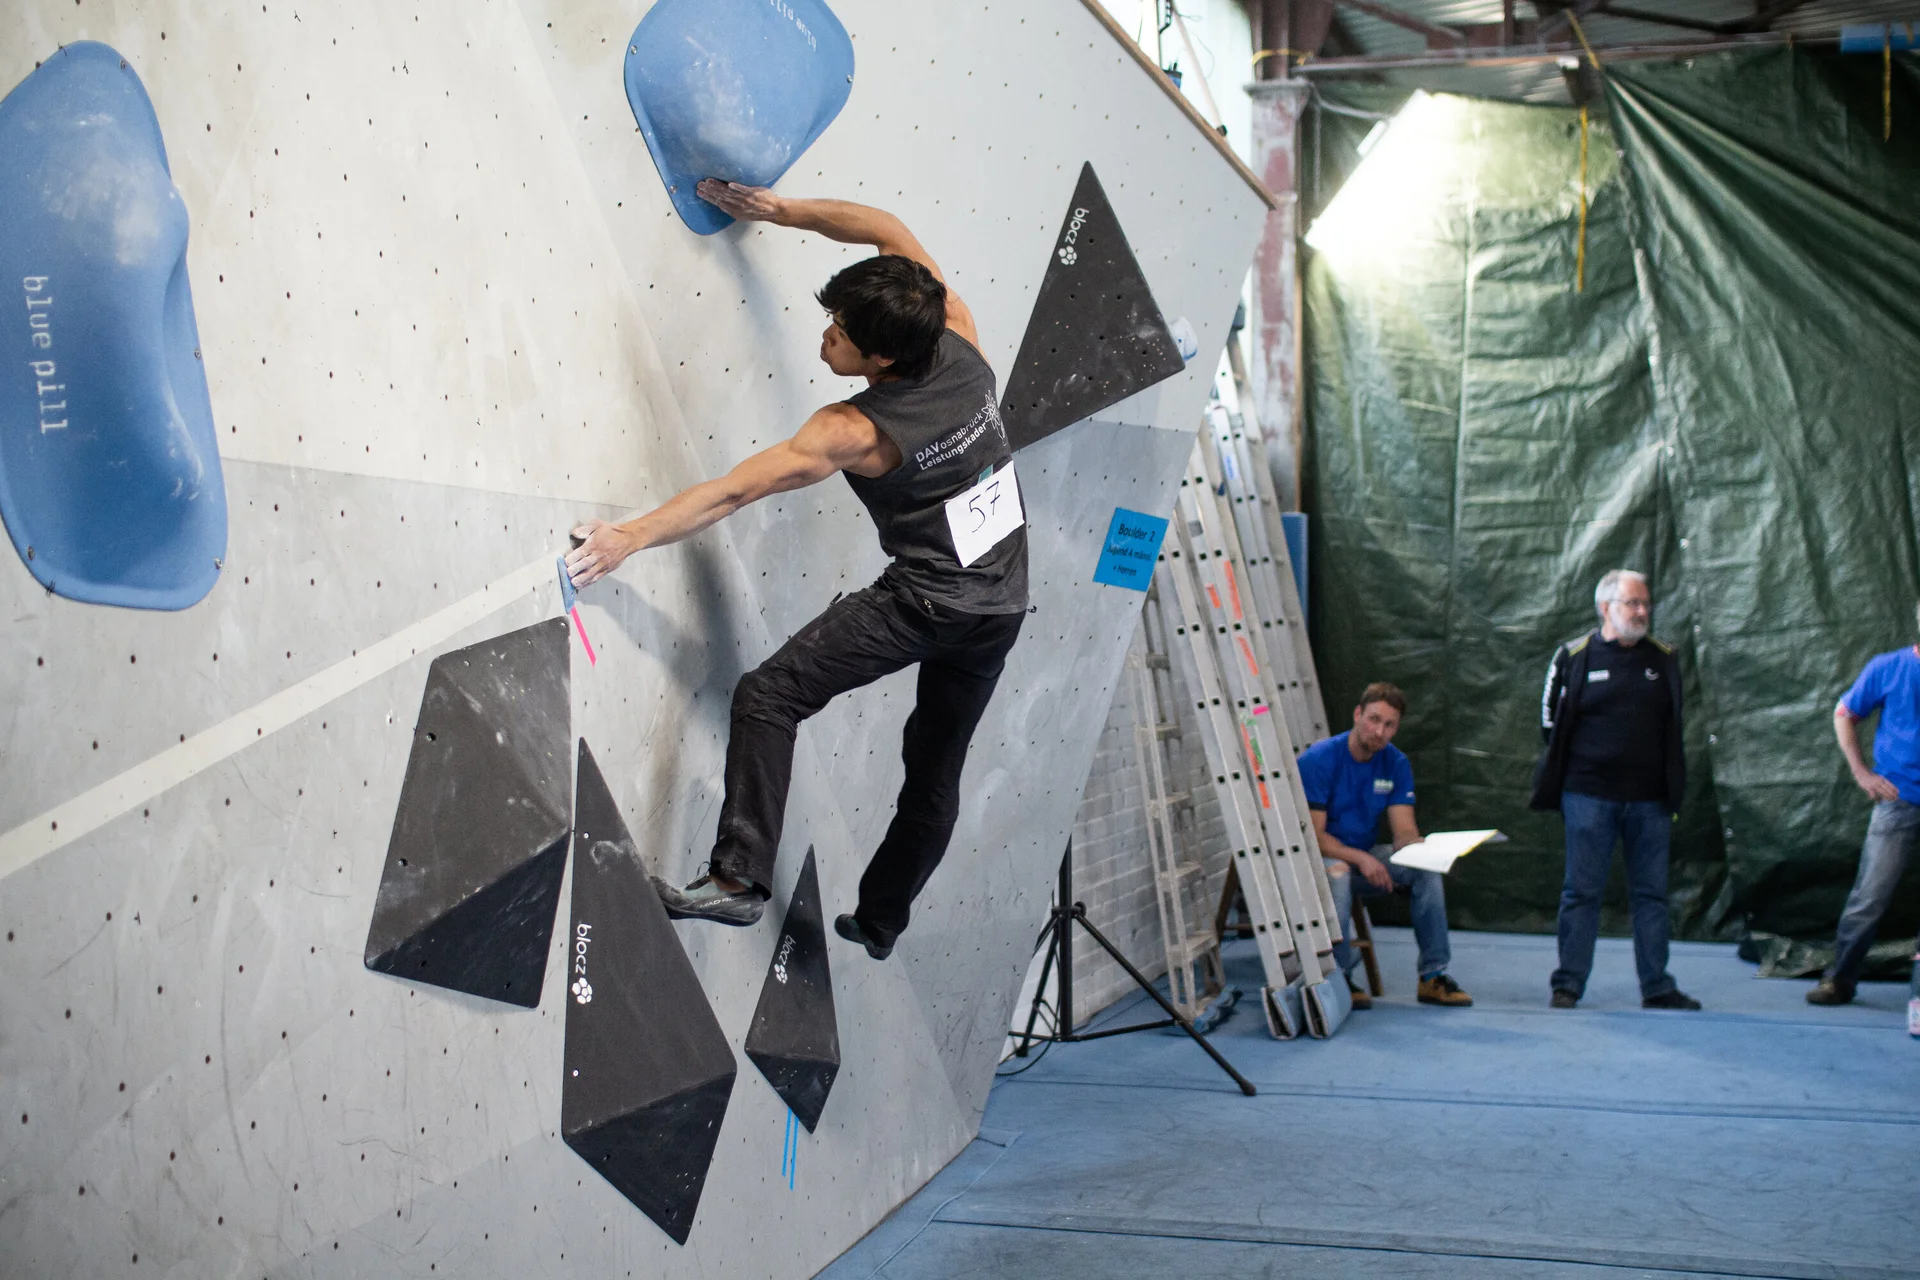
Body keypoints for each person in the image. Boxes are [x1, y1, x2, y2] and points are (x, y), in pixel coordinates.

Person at [565, 181, 1027, 962]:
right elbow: (885, 225)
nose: (826, 337)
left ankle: (738, 882)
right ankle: (882, 920)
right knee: (935, 770)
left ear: (880, 359)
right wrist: (780, 213)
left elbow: (733, 489)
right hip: (1001, 604)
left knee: (770, 693)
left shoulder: (854, 429)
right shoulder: (953, 328)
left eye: (840, 334)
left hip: (927, 602)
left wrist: (628, 538)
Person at [1531, 569, 1700, 1010]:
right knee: (1581, 891)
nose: (1643, 611)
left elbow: (1675, 723)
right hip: (1587, 796)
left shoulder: (1664, 658)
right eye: (1633, 603)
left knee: (1652, 895)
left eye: (1646, 603)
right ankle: (1568, 984)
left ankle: (1657, 986)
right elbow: (1549, 720)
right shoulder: (1573, 656)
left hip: (1650, 802)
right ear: (1605, 608)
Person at [1298, 682, 1473, 1008]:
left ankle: (1433, 976)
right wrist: (1361, 859)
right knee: (1338, 873)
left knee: (1424, 870)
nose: (1379, 731)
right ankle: (1339, 979)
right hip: (1321, 859)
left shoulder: (1395, 764)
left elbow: (1404, 831)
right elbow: (1314, 838)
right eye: (1373, 719)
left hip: (1363, 857)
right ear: (1357, 714)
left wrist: (1426, 851)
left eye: (1389, 724)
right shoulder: (1319, 760)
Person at [1806, 610, 1920, 1008]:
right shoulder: (1888, 667)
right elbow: (1844, 713)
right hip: (1898, 800)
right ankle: (1839, 979)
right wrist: (1861, 774)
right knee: (1870, 895)